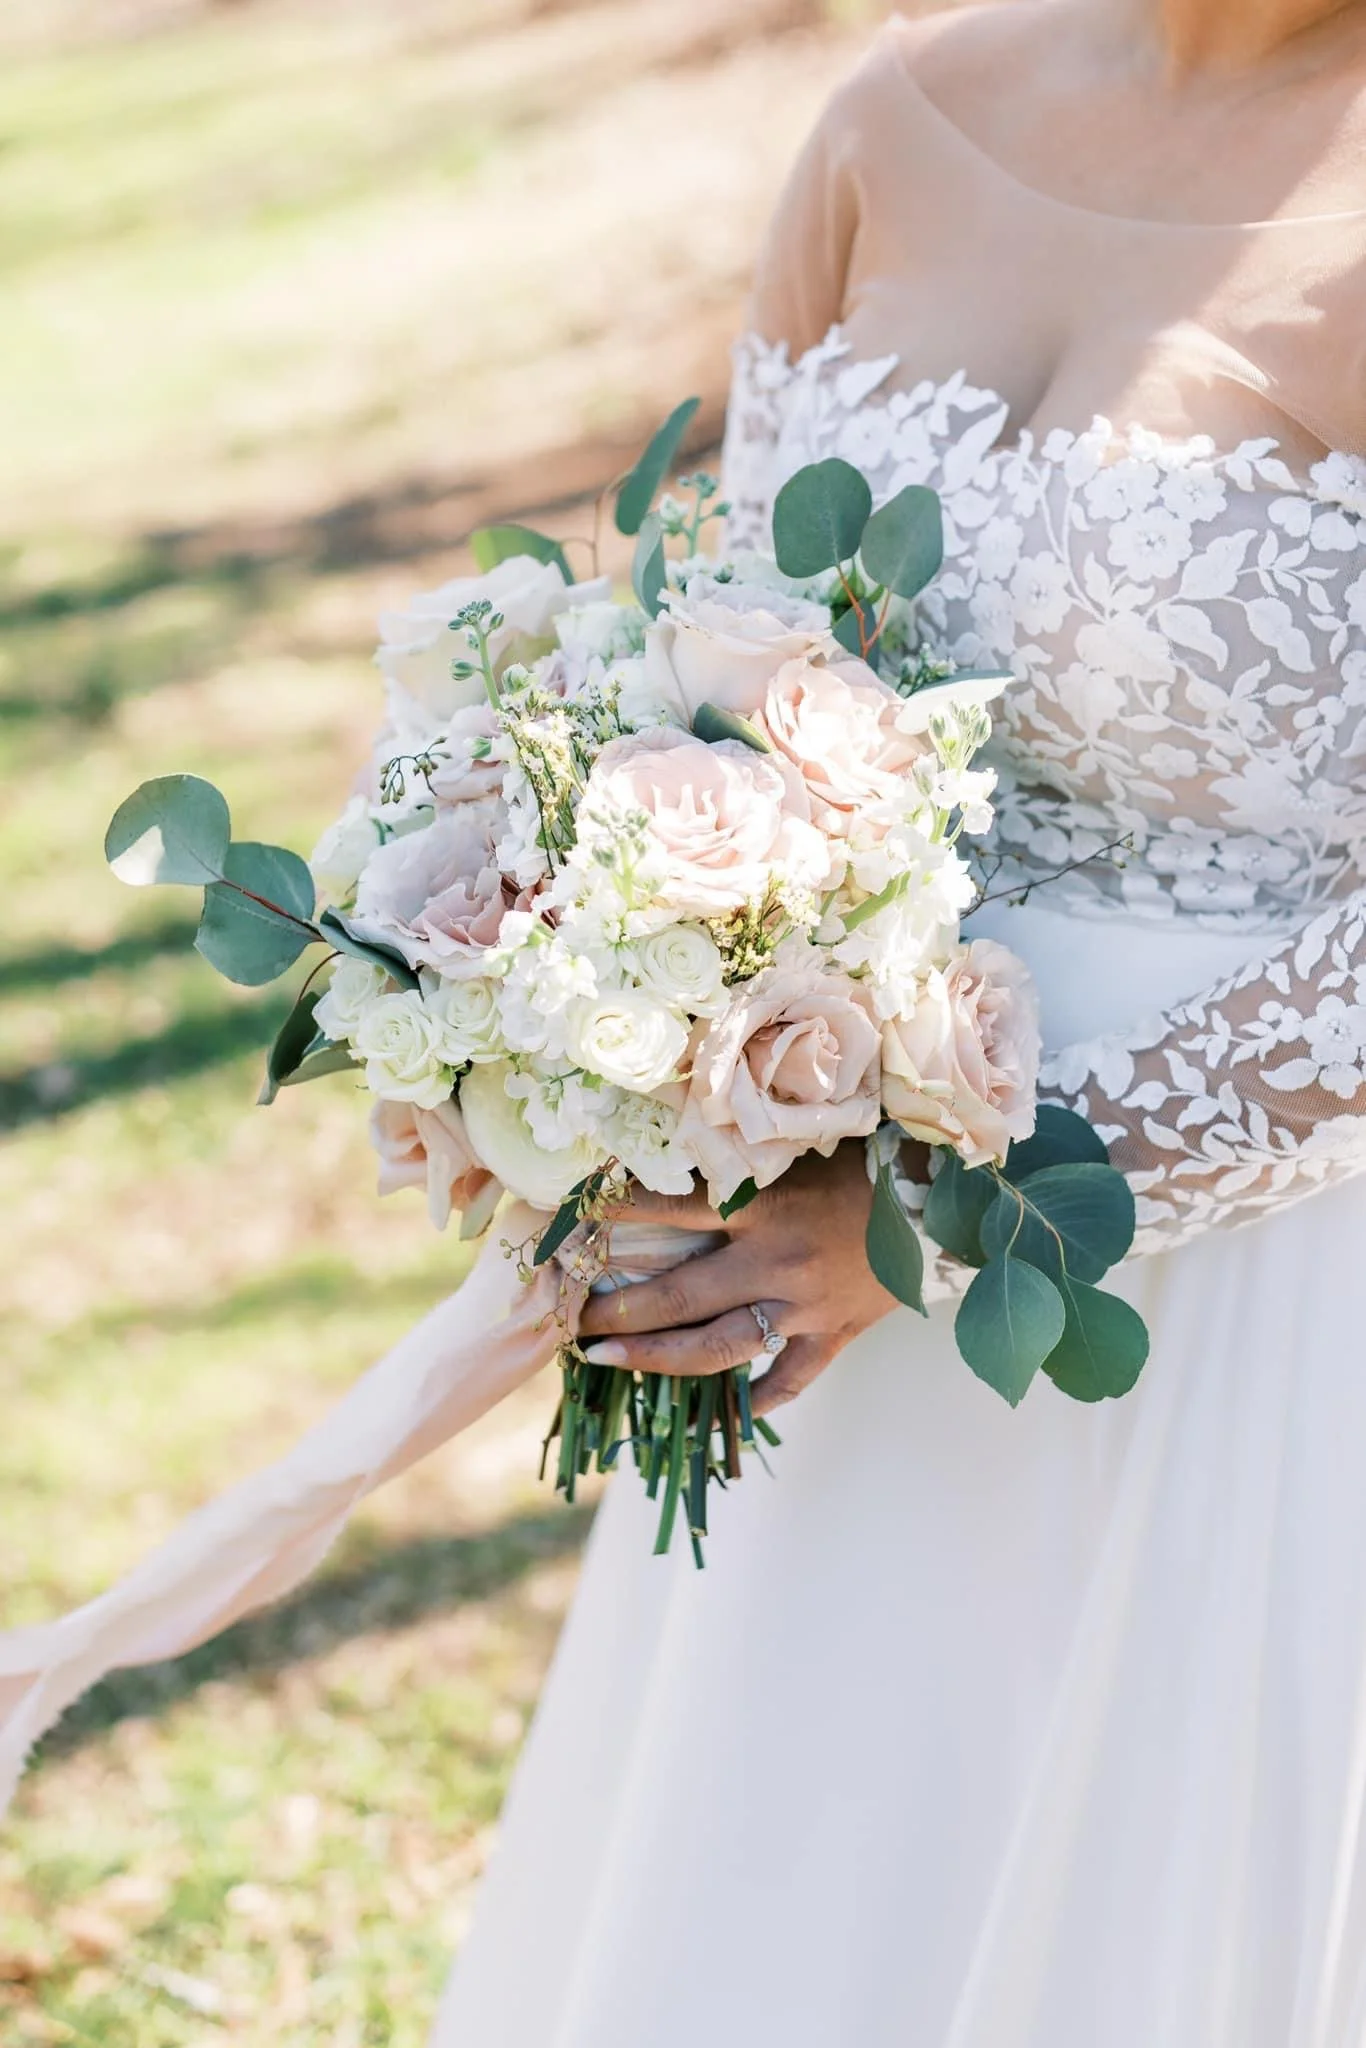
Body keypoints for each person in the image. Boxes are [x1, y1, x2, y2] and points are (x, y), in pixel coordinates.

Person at [435, 3, 1366, 2043]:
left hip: (1249, 1287)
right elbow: (727, 659)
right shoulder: (899, 116)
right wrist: (609, 1024)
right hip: (815, 1244)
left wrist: (951, 1217)